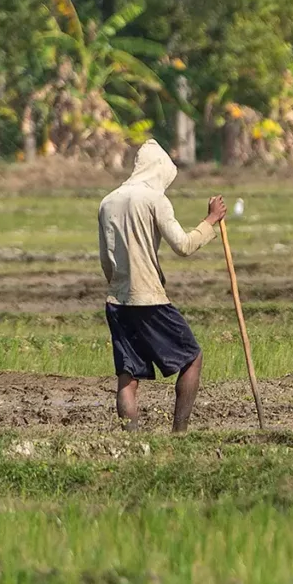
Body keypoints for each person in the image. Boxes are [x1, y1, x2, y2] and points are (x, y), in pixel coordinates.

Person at [97, 139, 228, 431]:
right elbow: (183, 245)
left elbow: (106, 260)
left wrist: (120, 287)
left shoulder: (108, 202)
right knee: (192, 357)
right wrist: (210, 221)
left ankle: (132, 442)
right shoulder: (154, 200)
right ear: (158, 170)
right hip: (150, 299)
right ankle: (179, 433)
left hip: (117, 300)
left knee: (128, 376)